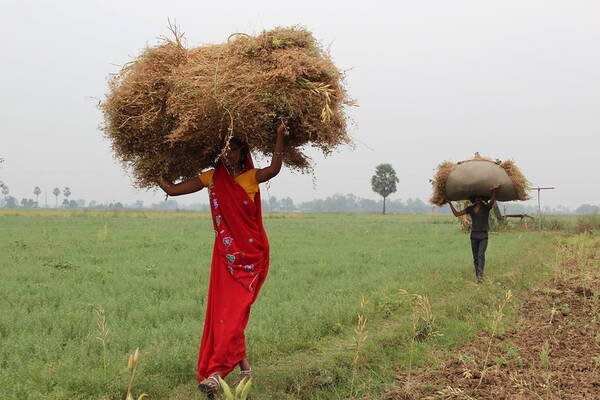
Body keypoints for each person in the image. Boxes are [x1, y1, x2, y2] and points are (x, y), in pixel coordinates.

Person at [158, 121, 287, 396]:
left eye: (235, 150)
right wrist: (152, 165)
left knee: (235, 313)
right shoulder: (211, 178)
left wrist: (279, 137)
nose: (229, 155)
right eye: (226, 150)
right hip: (225, 258)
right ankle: (237, 371)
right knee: (226, 314)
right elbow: (171, 189)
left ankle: (216, 374)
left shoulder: (252, 177)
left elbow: (274, 169)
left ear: (242, 152)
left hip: (250, 258)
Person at [446, 184, 500, 283]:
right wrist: (450, 204)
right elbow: (457, 214)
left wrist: (495, 191)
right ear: (474, 199)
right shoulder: (470, 209)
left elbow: (492, 201)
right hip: (474, 235)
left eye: (480, 197)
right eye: (477, 198)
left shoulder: (487, 207)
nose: (478, 199)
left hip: (483, 236)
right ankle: (477, 276)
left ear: (482, 199)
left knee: (480, 255)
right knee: (475, 257)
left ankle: (480, 276)